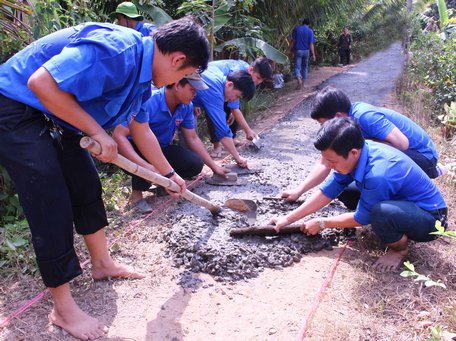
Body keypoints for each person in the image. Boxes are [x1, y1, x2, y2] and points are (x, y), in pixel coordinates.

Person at [0, 18, 209, 340]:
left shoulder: (143, 79)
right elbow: (41, 83)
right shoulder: (117, 50)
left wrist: (167, 175)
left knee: (87, 187)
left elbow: (140, 129)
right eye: (183, 76)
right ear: (178, 59)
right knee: (50, 200)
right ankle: (63, 308)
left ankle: (102, 263)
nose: (179, 80)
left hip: (58, 115)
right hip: (16, 107)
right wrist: (97, 131)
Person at [270, 118, 448, 272]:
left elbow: (361, 218)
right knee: (347, 192)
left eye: (332, 161)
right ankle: (391, 224)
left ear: (353, 153)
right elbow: (328, 190)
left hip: (431, 219)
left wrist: (322, 223)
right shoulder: (359, 152)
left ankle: (399, 249)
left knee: (379, 212)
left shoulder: (378, 173)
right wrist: (287, 219)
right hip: (405, 204)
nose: (329, 166)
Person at [282, 86, 443, 206]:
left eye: (323, 123)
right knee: (346, 188)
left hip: (423, 158)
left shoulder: (365, 116)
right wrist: (299, 191)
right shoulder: (342, 126)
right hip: (404, 155)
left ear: (338, 115)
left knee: (361, 167)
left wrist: (366, 144)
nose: (322, 128)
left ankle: (397, 208)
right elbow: (325, 163)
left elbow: (402, 143)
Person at [113, 73, 229, 213]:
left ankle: (163, 184)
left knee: (194, 164)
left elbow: (192, 138)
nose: (194, 94)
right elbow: (119, 136)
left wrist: (214, 166)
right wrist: (146, 166)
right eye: (192, 90)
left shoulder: (186, 107)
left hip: (161, 148)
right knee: (145, 155)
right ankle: (136, 197)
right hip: (132, 150)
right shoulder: (149, 101)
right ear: (177, 85)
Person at [207, 58, 273, 155]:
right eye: (258, 78)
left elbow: (235, 107)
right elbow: (234, 107)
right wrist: (248, 131)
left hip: (225, 88)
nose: (258, 82)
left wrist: (234, 110)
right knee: (215, 114)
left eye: (261, 80)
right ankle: (217, 145)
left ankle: (231, 139)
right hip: (212, 84)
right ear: (250, 70)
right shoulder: (238, 73)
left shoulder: (246, 75)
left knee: (235, 112)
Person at [192, 67, 256, 167]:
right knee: (194, 163)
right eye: (237, 96)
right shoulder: (214, 91)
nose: (235, 100)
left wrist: (248, 130)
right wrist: (238, 158)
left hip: (185, 104)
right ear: (229, 84)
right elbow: (222, 130)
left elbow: (235, 109)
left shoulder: (223, 80)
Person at [290, 18, 316, 90]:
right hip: (306, 51)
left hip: (298, 50)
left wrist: (290, 50)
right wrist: (313, 54)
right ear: (308, 24)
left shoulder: (297, 29)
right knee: (305, 67)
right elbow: (311, 44)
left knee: (297, 67)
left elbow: (293, 41)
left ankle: (299, 79)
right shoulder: (310, 31)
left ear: (302, 23)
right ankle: (303, 84)